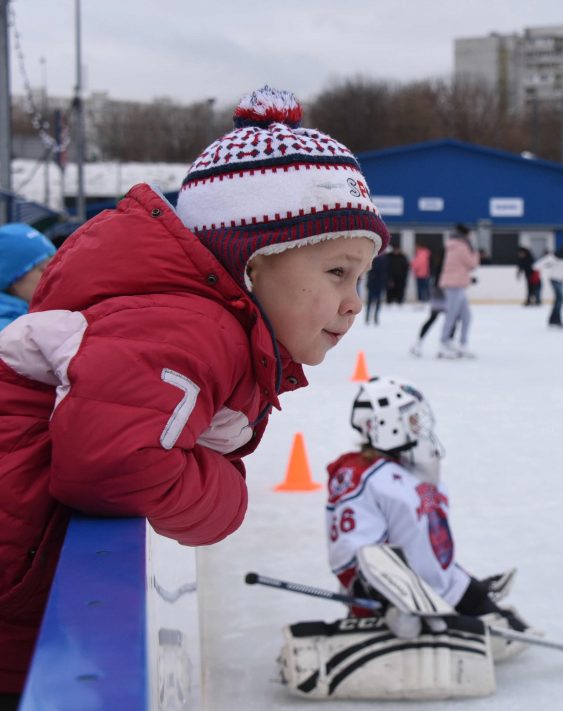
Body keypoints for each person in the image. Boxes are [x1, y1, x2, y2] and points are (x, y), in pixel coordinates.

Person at [0, 86, 389, 702]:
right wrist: (226, 495)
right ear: (252, 266)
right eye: (337, 271)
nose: (354, 301)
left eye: (363, 277)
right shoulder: (195, 328)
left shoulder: (197, 325)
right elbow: (111, 465)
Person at [326, 378, 529, 659]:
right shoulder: (360, 478)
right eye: (410, 419)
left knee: (515, 631)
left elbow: (424, 538)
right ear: (386, 424)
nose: (418, 426)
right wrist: (386, 604)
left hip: (442, 587)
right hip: (405, 602)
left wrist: (464, 581)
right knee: (488, 644)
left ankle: (463, 594)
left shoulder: (411, 465)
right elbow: (350, 554)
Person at [0, 223, 56, 332]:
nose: (54, 274)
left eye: (56, 265)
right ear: (12, 279)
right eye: (44, 269)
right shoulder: (10, 333)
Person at [438, 224, 479, 358]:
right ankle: (444, 344)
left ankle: (462, 344)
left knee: (466, 316)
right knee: (451, 316)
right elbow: (472, 264)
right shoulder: (462, 246)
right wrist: (476, 253)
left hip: (457, 284)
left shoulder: (453, 245)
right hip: (454, 285)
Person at [410, 250, 447, 357]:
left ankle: (419, 343)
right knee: (449, 320)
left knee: (436, 319)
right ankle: (444, 345)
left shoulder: (440, 265)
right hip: (442, 294)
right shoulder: (445, 266)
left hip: (439, 293)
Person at [533, 239, 563, 328]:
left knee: (559, 300)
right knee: (560, 299)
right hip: (554, 279)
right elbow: (538, 264)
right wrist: (544, 267)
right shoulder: (556, 255)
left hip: (561, 280)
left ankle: (552, 320)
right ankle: (557, 320)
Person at [364, 250, 389, 326]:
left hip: (379, 283)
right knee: (371, 301)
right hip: (373, 283)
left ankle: (375, 316)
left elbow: (386, 272)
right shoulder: (373, 258)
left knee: (377, 302)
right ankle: (368, 317)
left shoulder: (384, 259)